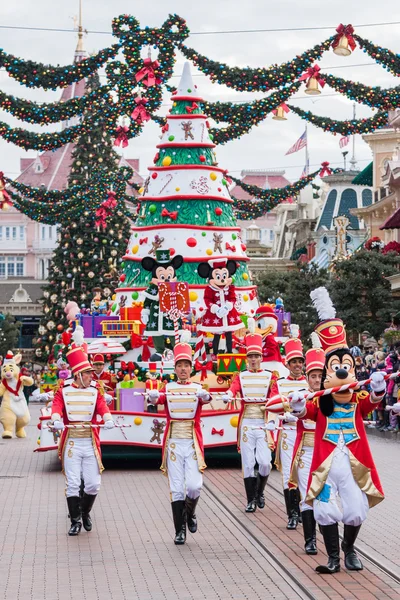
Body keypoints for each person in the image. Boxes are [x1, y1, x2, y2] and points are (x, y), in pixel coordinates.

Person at [290, 287, 385, 574]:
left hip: (353, 462)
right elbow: (306, 412)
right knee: (325, 509)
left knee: (356, 508)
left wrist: (379, 389)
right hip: (326, 464)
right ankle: (332, 556)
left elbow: (370, 403)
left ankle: (349, 548)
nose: (342, 371)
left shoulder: (356, 398)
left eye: (345, 366)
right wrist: (296, 405)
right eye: (336, 366)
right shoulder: (319, 400)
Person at [147, 332, 211, 545]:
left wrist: (206, 397)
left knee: (193, 486)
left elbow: (207, 399)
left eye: (186, 365)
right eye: (179, 365)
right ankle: (179, 530)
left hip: (192, 443)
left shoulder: (197, 388)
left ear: (190, 368)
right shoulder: (170, 387)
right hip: (173, 443)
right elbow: (160, 398)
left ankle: (190, 513)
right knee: (176, 488)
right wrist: (155, 397)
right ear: (174, 369)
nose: (183, 369)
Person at [49, 343, 115, 536]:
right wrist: (55, 419)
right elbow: (56, 406)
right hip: (72, 442)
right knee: (73, 483)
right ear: (78, 374)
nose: (91, 376)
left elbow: (102, 406)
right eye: (87, 373)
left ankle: (84, 512)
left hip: (89, 442)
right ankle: (75, 520)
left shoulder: (95, 390)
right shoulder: (64, 389)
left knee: (93, 484)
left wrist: (108, 418)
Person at [223, 319, 279, 513]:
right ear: (247, 358)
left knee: (265, 462)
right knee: (247, 463)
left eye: (256, 356)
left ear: (261, 357)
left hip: (263, 422)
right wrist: (229, 394)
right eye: (250, 356)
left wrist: (272, 412)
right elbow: (234, 387)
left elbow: (274, 395)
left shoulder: (270, 376)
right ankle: (250, 500)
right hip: (247, 421)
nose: (253, 359)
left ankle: (260, 491)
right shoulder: (241, 375)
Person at [289, 337, 325, 555]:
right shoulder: (300, 395)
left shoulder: (332, 396)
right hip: (305, 452)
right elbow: (291, 409)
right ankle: (309, 540)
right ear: (308, 378)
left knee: (326, 496)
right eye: (313, 376)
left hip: (326, 453)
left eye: (320, 376)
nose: (316, 380)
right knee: (307, 495)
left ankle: (329, 536)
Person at [275, 337, 307, 530]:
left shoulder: (311, 382)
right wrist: (284, 414)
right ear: (287, 364)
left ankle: (303, 511)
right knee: (288, 473)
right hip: (287, 432)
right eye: (293, 362)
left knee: (304, 473)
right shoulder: (279, 384)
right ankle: (292, 514)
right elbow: (272, 404)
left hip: (306, 433)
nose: (297, 365)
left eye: (299, 362)